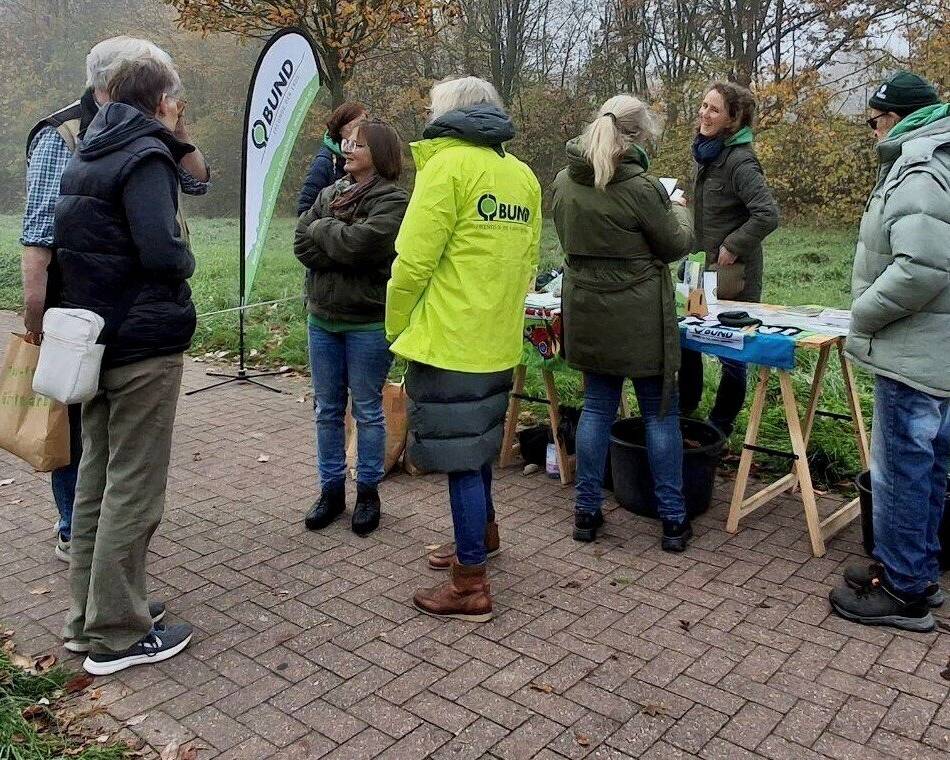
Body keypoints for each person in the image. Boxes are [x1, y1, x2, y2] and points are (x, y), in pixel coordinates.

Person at [21, 36, 210, 562]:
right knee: (78, 436)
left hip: (122, 311)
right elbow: (38, 235)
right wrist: (35, 314)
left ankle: (93, 559)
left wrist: (178, 133)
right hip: (77, 310)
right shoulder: (60, 134)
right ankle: (74, 532)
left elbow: (198, 184)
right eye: (167, 93)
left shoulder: (147, 138)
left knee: (103, 449)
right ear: (110, 86)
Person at [54, 53, 199, 674]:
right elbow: (162, 251)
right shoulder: (146, 157)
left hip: (96, 338)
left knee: (96, 481)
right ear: (161, 100)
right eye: (174, 100)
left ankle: (87, 616)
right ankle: (117, 634)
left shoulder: (88, 150)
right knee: (134, 489)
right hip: (142, 343)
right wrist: (186, 258)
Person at [386, 76, 541, 622]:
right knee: (476, 449)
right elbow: (526, 264)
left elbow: (411, 263)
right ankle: (484, 534)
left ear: (446, 115)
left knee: (460, 462)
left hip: (448, 342)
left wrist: (396, 324)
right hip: (496, 342)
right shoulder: (522, 176)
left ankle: (470, 582)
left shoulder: (445, 169)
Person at [829, 72, 950, 633]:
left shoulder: (918, 168)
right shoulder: (940, 157)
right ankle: (917, 572)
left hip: (912, 349)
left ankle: (902, 591)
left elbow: (921, 267)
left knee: (902, 472)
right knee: (928, 470)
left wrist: (863, 314)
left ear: (896, 117)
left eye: (875, 119)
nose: (873, 130)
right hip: (935, 349)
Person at [551, 95, 695, 551]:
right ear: (637, 136)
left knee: (597, 407)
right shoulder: (642, 188)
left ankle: (586, 514)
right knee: (659, 413)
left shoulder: (563, 182)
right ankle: (673, 521)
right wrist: (680, 207)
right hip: (640, 315)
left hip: (588, 308)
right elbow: (675, 246)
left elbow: (568, 238)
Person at [294, 120, 408, 536]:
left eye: (357, 144)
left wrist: (325, 231)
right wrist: (335, 242)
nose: (346, 147)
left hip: (367, 322)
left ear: (379, 152)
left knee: (368, 410)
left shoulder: (394, 201)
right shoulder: (329, 193)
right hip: (322, 319)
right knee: (326, 410)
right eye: (346, 141)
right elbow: (300, 244)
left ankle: (368, 493)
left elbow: (363, 246)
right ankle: (331, 491)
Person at [678, 82, 779, 438]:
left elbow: (767, 214)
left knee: (731, 349)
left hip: (734, 274)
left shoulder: (739, 160)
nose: (704, 114)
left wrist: (734, 244)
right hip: (699, 273)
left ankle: (721, 425)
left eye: (714, 109)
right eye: (703, 106)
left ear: (733, 119)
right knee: (688, 336)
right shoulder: (707, 155)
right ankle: (683, 412)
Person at [296, 102, 368, 215]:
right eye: (353, 127)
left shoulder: (370, 159)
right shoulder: (324, 162)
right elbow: (305, 208)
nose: (358, 132)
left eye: (363, 127)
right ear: (340, 129)